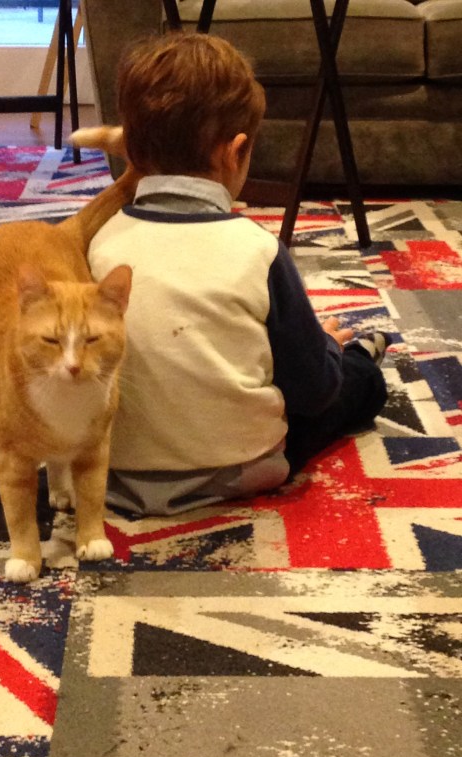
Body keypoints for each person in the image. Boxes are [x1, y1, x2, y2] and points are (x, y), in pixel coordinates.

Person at [86, 32, 389, 516]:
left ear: (131, 151)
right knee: (355, 384)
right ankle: (356, 351)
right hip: (238, 467)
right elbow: (313, 392)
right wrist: (324, 351)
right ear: (236, 152)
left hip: (113, 468)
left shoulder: (100, 243)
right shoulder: (258, 249)